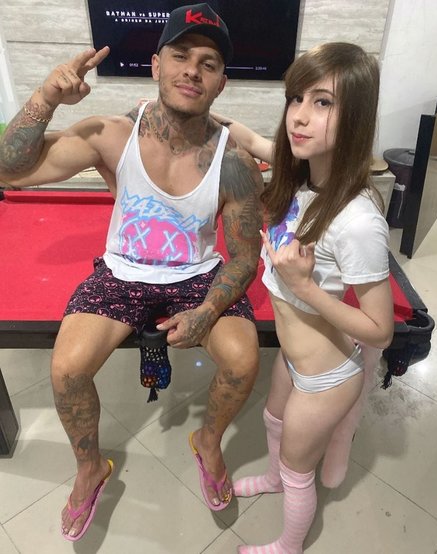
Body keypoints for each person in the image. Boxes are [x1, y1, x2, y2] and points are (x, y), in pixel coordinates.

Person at [0, 2, 264, 541]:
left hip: (197, 275)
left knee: (243, 361)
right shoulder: (112, 134)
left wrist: (207, 310)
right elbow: (11, 169)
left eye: (209, 63)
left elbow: (243, 256)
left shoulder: (233, 161)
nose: (192, 70)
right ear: (156, 65)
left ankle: (208, 442)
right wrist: (46, 97)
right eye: (181, 56)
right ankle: (89, 468)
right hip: (122, 271)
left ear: (221, 84)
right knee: (66, 369)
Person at [215, 42, 394, 553]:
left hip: (326, 378)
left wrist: (304, 287)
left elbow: (381, 331)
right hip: (294, 358)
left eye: (323, 102)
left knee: (300, 470)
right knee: (272, 420)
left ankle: (288, 545)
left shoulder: (358, 221)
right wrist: (195, 115)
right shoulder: (304, 174)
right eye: (296, 98)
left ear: (355, 115)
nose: (299, 116)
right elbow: (250, 138)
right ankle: (273, 478)